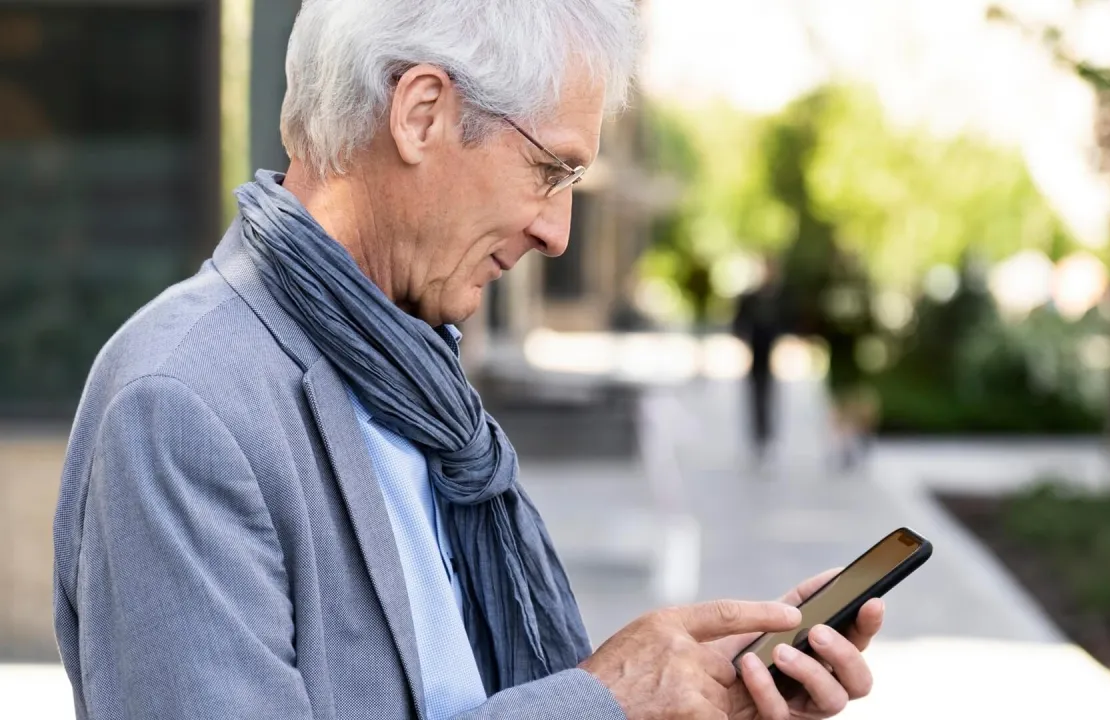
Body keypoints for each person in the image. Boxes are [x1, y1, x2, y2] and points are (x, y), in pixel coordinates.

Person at [52, 2, 885, 718]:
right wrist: (604, 698)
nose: (557, 231)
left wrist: (690, 696)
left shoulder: (420, 389)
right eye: (550, 171)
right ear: (421, 113)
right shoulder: (182, 405)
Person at [733, 259, 785, 462]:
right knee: (756, 393)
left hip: (772, 353)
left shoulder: (779, 297)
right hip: (756, 352)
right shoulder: (751, 297)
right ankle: (758, 435)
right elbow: (740, 323)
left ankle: (766, 435)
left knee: (769, 394)